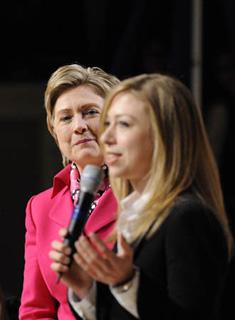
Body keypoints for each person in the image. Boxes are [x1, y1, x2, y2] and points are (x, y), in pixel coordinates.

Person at [49, 73, 233, 319]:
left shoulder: (188, 217)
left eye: (123, 124)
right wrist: (85, 289)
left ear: (163, 136)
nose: (106, 138)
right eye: (107, 124)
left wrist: (127, 283)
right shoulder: (134, 216)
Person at [19, 64, 120, 319]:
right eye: (66, 117)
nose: (79, 126)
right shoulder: (39, 207)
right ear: (55, 133)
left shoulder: (142, 194)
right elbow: (35, 310)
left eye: (90, 112)